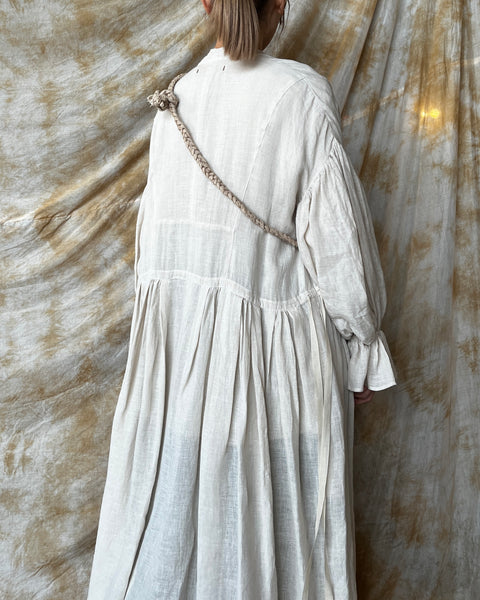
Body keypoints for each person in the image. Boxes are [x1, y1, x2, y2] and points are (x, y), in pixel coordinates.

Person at [87, 0, 396, 598]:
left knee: (181, 537)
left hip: (179, 382)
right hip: (278, 380)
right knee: (280, 549)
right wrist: (362, 341)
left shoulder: (175, 101)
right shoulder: (301, 94)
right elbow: (339, 245)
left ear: (207, 2)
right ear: (280, 5)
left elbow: (155, 259)